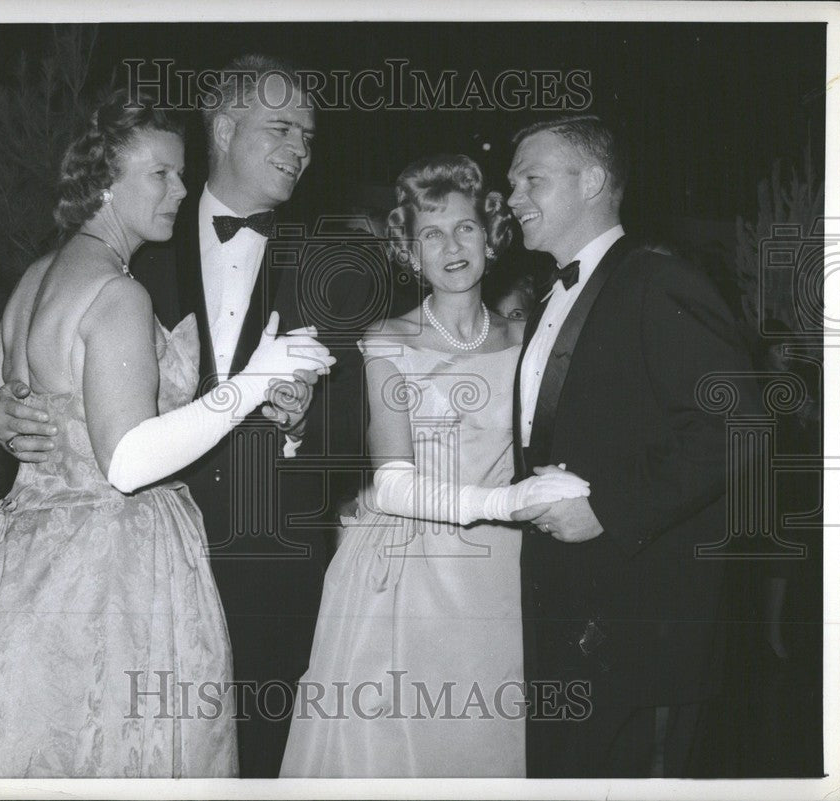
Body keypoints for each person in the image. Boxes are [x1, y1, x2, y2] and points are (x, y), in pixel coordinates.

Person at [0, 89, 333, 778]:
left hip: (20, 554)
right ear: (103, 182)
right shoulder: (120, 292)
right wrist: (253, 380)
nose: (183, 189)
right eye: (162, 173)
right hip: (108, 566)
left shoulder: (40, 273)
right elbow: (126, 461)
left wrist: (4, 415)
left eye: (181, 173)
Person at [279, 154, 591, 777]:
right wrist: (503, 503)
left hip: (500, 570)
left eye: (466, 228)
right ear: (410, 251)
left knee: (486, 741)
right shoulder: (386, 340)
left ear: (491, 237)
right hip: (405, 571)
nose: (451, 246)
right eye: (431, 233)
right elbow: (392, 485)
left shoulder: (529, 335)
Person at [505, 114, 759, 777]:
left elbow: (738, 428)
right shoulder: (549, 299)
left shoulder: (657, 280)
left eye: (531, 179)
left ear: (592, 182)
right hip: (566, 618)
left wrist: (608, 508)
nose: (511, 198)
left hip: (644, 631)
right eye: (511, 183)